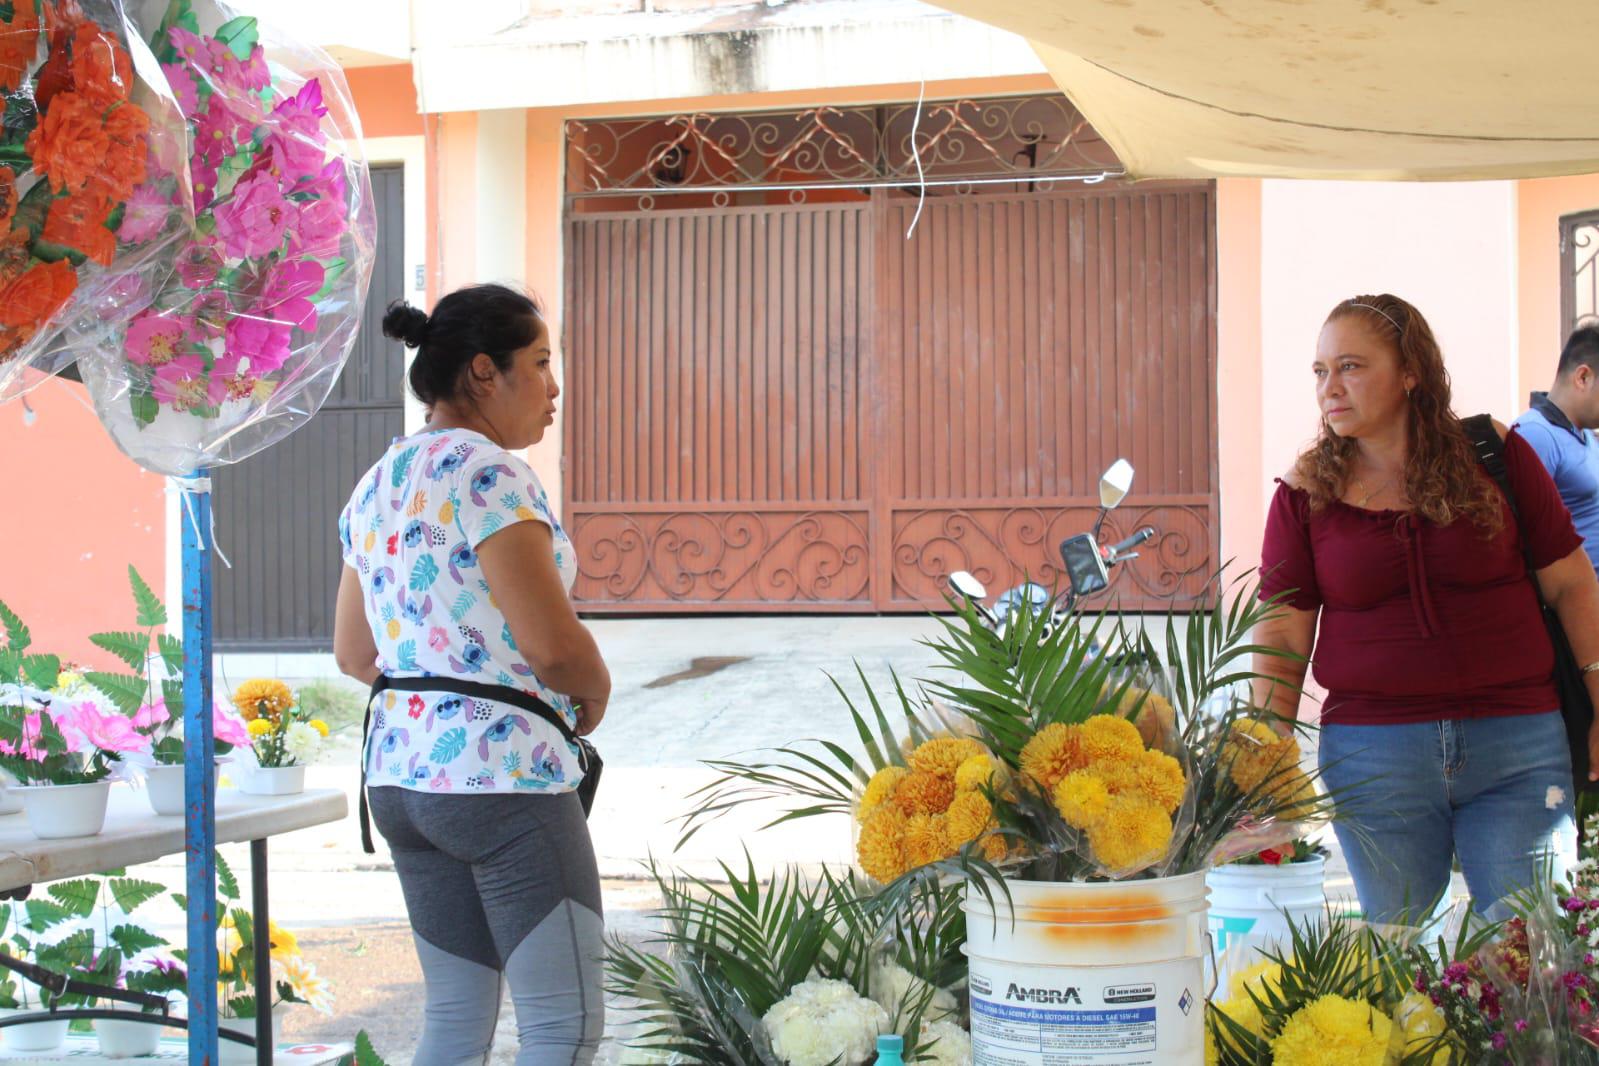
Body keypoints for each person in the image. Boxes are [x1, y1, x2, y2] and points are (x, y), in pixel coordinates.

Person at [1251, 293, 1599, 925]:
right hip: (1374, 756)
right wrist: (1263, 751)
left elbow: (1573, 583)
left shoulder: (1492, 455)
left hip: (1516, 742)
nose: (1331, 387)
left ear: (1411, 371)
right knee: (1396, 947)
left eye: (1351, 366)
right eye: (1320, 371)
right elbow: (1281, 628)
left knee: (1530, 950)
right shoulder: (1305, 494)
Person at [333, 283, 610, 1064]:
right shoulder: (488, 474)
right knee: (564, 1025)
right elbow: (553, 646)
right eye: (542, 363)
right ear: (485, 372)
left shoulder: (377, 482)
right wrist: (594, 687)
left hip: (399, 782)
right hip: (501, 783)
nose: (554, 387)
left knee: (454, 1019)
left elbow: (356, 655)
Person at [1515, 325, 1599, 570]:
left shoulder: (1584, 434)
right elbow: (1520, 533)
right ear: (1583, 377)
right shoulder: (1535, 434)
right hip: (1577, 600)